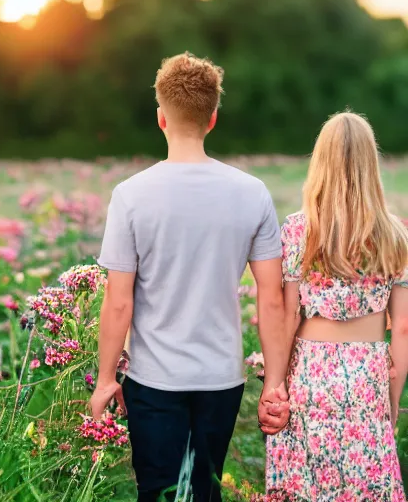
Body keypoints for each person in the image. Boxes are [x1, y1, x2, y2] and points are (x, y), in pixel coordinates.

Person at [89, 52, 290, 502]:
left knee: (157, 493)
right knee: (205, 492)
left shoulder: (131, 196)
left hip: (153, 379)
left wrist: (106, 379)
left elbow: (119, 302)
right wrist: (274, 382)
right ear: (212, 119)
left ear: (161, 117)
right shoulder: (252, 192)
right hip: (221, 379)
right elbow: (271, 298)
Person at [266, 111, 408, 501]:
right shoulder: (396, 234)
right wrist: (391, 403)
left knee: (310, 483)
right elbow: (404, 327)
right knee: (366, 484)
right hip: (368, 372)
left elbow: (288, 315)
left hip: (311, 371)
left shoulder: (299, 228)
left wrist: (276, 385)